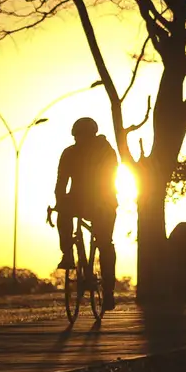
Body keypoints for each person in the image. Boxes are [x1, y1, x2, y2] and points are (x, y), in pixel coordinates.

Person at [54, 116, 119, 311]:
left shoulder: (106, 151)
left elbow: (109, 177)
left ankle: (108, 292)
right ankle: (67, 254)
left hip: (104, 200)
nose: (79, 140)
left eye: (83, 136)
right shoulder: (69, 153)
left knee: (105, 243)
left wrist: (102, 201)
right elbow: (61, 182)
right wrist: (59, 202)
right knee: (63, 214)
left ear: (93, 135)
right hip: (78, 199)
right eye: (77, 137)